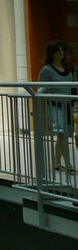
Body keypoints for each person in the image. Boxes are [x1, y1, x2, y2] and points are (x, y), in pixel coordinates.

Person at [38, 39, 75, 173]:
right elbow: (40, 89)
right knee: (62, 133)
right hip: (54, 106)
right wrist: (43, 113)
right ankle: (69, 164)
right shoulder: (47, 70)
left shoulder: (68, 67)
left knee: (63, 135)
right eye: (57, 50)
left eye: (62, 50)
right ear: (51, 53)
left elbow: (72, 86)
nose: (61, 52)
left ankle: (56, 163)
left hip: (68, 105)